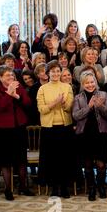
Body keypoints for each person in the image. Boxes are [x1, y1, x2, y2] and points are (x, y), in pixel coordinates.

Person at [0, 66, 34, 200]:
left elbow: (28, 103)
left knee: (21, 159)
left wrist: (16, 95)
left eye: (11, 75)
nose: (10, 77)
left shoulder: (18, 86)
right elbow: (0, 107)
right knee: (6, 161)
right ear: (0, 77)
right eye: (7, 75)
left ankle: (23, 187)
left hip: (19, 127)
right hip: (3, 129)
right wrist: (9, 94)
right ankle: (8, 190)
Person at [73, 71, 107, 201]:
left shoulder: (104, 95)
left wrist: (100, 106)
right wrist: (89, 107)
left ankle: (101, 186)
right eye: (87, 83)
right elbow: (76, 116)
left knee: (101, 164)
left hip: (100, 134)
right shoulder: (78, 98)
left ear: (95, 82)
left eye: (92, 82)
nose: (90, 85)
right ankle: (91, 188)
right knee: (88, 164)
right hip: (84, 135)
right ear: (83, 84)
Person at [37, 60, 75, 198]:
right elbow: (42, 109)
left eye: (58, 71)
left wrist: (64, 103)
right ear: (48, 73)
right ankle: (54, 187)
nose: (56, 73)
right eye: (53, 71)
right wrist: (55, 103)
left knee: (64, 159)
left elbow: (69, 108)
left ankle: (65, 187)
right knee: (51, 159)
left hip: (65, 128)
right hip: (49, 128)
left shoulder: (67, 87)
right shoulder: (42, 89)